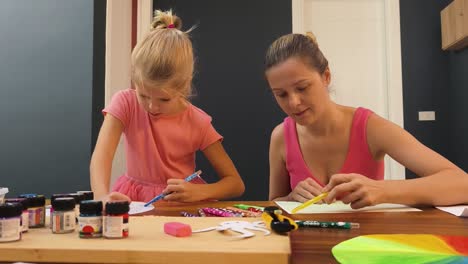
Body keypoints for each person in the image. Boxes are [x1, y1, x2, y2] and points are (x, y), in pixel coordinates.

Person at [265, 32, 467, 209]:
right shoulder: (280, 136)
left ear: (326, 76)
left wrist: (382, 190)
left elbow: (461, 184)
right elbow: (273, 202)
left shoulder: (369, 127)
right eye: (281, 94)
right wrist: (290, 197)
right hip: (306, 246)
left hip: (368, 246)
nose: (293, 102)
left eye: (302, 88)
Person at [90, 10, 245, 203]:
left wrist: (200, 191)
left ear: (184, 85)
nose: (152, 106)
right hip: (135, 201)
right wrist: (101, 196)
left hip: (179, 205)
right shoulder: (125, 103)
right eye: (144, 95)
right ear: (134, 81)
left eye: (164, 100)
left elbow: (235, 184)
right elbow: (101, 157)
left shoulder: (198, 122)